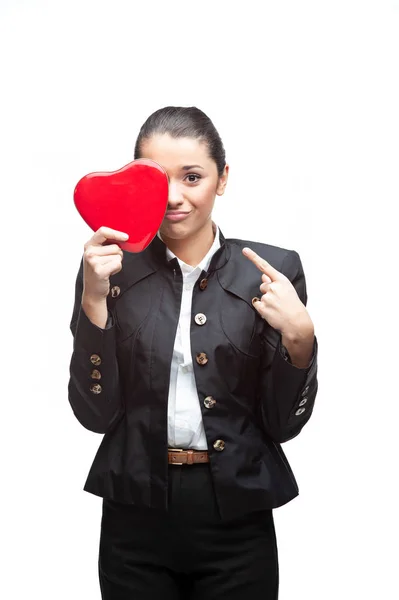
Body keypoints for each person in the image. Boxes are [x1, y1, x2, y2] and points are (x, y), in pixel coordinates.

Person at [68, 106, 318, 599]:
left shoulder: (270, 272)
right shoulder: (108, 269)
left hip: (235, 515)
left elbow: (282, 424)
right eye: (158, 180)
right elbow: (95, 414)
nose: (174, 197)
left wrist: (300, 340)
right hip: (134, 511)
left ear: (222, 179)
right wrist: (93, 301)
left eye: (192, 177)